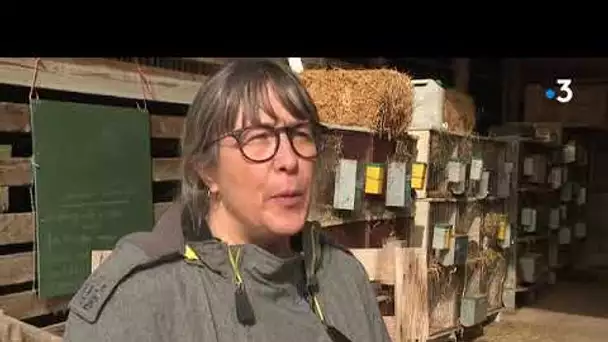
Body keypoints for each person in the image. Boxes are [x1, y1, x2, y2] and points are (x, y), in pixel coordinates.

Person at [63, 59, 391, 342]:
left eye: (300, 135)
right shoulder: (140, 300)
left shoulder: (343, 278)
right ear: (207, 171)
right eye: (259, 138)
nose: (289, 160)